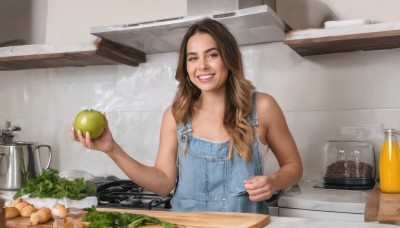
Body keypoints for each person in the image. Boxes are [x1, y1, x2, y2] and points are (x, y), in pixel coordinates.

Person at [71, 18, 303, 214]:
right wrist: (112, 149)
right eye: (193, 58)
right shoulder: (176, 115)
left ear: (228, 58)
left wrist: (273, 182)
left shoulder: (262, 107)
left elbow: (293, 166)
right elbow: (163, 184)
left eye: (212, 55)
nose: (201, 65)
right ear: (186, 66)